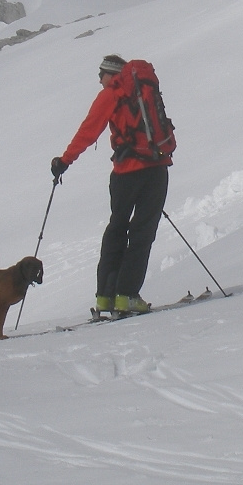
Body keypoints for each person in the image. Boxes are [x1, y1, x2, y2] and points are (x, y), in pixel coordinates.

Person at [51, 55, 172, 316]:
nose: (99, 80)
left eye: (101, 74)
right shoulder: (144, 90)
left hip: (124, 174)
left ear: (112, 74)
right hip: (155, 169)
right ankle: (126, 295)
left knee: (117, 228)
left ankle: (107, 296)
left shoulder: (112, 94)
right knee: (142, 233)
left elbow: (88, 131)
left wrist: (64, 160)